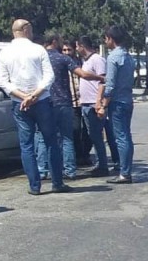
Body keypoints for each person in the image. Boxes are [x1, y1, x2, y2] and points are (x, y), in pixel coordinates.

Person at [0, 18, 71, 195]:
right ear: (26, 29)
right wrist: (34, 95)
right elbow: (49, 77)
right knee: (51, 140)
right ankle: (57, 182)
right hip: (42, 101)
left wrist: (24, 96)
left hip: (19, 103)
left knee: (27, 144)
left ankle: (34, 186)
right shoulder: (38, 50)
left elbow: (2, 81)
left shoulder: (4, 53)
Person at [35, 33, 104, 180]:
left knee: (42, 137)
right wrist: (100, 77)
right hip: (64, 102)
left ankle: (42, 170)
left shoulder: (39, 59)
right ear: (54, 41)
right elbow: (82, 74)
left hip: (45, 102)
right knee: (67, 138)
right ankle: (70, 170)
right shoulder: (62, 58)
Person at [97, 26, 136, 184]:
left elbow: (110, 84)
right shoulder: (128, 56)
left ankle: (124, 173)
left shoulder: (113, 58)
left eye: (106, 39)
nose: (105, 42)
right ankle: (126, 169)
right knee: (126, 136)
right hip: (127, 99)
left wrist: (103, 105)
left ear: (111, 39)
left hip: (117, 102)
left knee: (120, 137)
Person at [76, 36, 111, 177]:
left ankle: (102, 166)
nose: (76, 50)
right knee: (93, 136)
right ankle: (99, 164)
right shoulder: (86, 61)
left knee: (97, 136)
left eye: (77, 46)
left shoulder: (97, 60)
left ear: (82, 46)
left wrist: (99, 102)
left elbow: (103, 81)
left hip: (94, 103)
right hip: (86, 103)